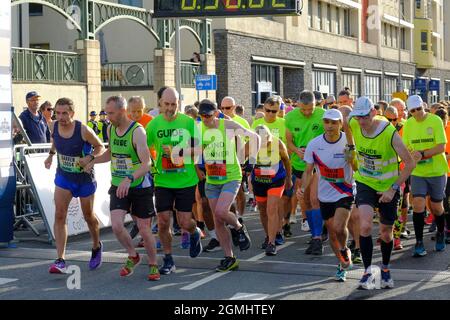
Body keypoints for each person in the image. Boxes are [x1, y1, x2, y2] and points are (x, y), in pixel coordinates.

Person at [84, 95, 160, 280]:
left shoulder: (137, 132)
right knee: (117, 226)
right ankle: (133, 256)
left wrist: (129, 178)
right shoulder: (111, 129)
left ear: (122, 111)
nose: (107, 116)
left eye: (110, 113)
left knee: (143, 228)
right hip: (118, 185)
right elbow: (111, 153)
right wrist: (92, 160)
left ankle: (153, 264)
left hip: (139, 185)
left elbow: (146, 163)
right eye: (106, 112)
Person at [348, 97, 414, 290]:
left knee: (385, 234)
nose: (361, 121)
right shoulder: (353, 123)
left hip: (388, 186)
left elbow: (410, 163)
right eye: (358, 117)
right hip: (365, 181)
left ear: (373, 113)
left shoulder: (389, 133)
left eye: (365, 117)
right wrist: (350, 150)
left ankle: (385, 268)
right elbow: (345, 122)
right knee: (366, 225)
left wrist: (393, 188)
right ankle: (368, 272)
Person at [146, 88, 203, 275]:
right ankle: (168, 259)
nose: (171, 108)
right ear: (160, 103)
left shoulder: (188, 122)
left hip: (185, 180)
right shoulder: (153, 125)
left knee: (185, 222)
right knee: (163, 221)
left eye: (174, 104)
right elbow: (144, 150)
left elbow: (199, 148)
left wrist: (179, 152)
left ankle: (194, 232)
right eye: (167, 104)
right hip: (163, 180)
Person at [44, 98, 104, 274]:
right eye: (58, 113)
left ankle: (96, 245)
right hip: (64, 178)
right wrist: (50, 155)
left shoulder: (83, 129)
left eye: (65, 113)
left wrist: (90, 158)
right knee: (60, 215)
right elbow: (55, 141)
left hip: (84, 179)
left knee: (89, 217)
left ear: (72, 113)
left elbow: (99, 147)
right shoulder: (53, 126)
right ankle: (60, 259)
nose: (61, 117)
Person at [199, 99, 260, 271]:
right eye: (202, 116)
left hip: (231, 177)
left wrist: (250, 162)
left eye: (208, 116)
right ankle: (229, 258)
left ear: (216, 113)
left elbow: (255, 137)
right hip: (212, 180)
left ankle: (239, 227)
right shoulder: (199, 129)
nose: (205, 119)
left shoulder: (227, 125)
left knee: (220, 212)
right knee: (218, 220)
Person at [301, 109, 356, 281]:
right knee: (332, 232)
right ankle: (341, 263)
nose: (330, 126)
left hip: (345, 191)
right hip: (325, 194)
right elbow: (308, 170)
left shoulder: (348, 142)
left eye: (334, 122)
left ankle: (345, 248)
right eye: (327, 122)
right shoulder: (314, 144)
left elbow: (355, 168)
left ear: (341, 124)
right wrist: (303, 188)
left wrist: (352, 155)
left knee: (339, 227)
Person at [402, 95, 448, 257]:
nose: (416, 113)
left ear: (424, 107)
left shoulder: (435, 120)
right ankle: (419, 242)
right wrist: (411, 155)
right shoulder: (408, 124)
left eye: (419, 109)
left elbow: (441, 147)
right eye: (413, 111)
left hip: (437, 171)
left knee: (436, 207)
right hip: (418, 172)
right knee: (418, 204)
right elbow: (405, 146)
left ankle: (441, 233)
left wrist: (422, 154)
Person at [286, 90, 326, 255]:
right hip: (299, 164)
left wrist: (316, 150)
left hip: (318, 164)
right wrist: (298, 150)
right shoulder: (290, 117)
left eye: (311, 109)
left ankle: (317, 238)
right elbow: (288, 142)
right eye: (304, 110)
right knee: (305, 201)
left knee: (314, 199)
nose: (308, 112)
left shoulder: (323, 115)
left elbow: (331, 136)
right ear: (298, 104)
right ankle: (316, 231)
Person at [251, 96, 288, 244]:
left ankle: (277, 233)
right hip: (259, 173)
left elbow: (288, 147)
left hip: (278, 171)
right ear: (263, 109)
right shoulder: (257, 123)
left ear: (279, 110)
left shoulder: (284, 123)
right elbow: (249, 148)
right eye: (268, 111)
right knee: (263, 208)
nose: (271, 114)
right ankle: (271, 234)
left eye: (274, 111)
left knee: (275, 206)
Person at [252, 125, 292, 255]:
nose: (265, 144)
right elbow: (240, 159)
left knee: (272, 209)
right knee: (263, 210)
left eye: (267, 140)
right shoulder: (250, 144)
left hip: (276, 181)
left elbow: (286, 161)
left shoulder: (277, 143)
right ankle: (269, 235)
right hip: (259, 181)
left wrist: (288, 178)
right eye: (261, 142)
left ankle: (271, 243)